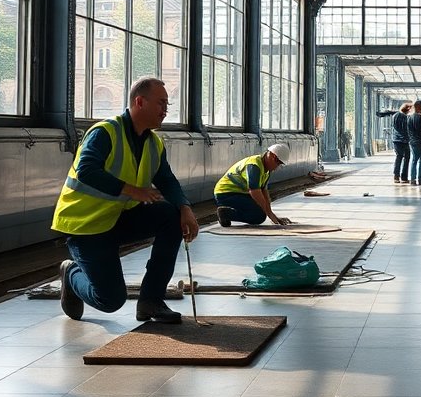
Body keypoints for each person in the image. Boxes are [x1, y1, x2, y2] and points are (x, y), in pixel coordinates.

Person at [52, 77, 200, 325]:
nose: (165, 110)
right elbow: (87, 170)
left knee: (171, 216)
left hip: (118, 219)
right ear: (140, 102)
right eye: (161, 103)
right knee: (110, 300)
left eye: (167, 105)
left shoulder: (154, 143)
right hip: (85, 225)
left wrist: (185, 209)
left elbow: (167, 180)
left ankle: (151, 300)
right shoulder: (104, 133)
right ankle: (71, 274)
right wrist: (133, 191)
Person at [214, 143, 294, 227]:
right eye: (277, 162)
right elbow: (254, 191)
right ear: (271, 156)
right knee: (258, 215)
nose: (276, 167)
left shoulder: (266, 170)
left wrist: (272, 214)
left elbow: (264, 192)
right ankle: (225, 214)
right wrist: (269, 214)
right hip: (225, 194)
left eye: (279, 164)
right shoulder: (254, 166)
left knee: (260, 212)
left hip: (238, 193)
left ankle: (227, 213)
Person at [378, 103, 412, 183]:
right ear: (407, 109)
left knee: (398, 157)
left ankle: (396, 177)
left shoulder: (395, 116)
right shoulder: (407, 118)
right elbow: (407, 129)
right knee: (407, 158)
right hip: (405, 140)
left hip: (396, 140)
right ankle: (404, 177)